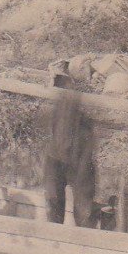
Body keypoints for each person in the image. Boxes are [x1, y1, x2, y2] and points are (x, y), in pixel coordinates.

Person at [43, 73, 97, 227]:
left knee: (83, 209)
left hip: (80, 158)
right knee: (53, 202)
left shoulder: (85, 124)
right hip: (56, 156)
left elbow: (86, 157)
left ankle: (83, 243)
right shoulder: (54, 113)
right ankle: (55, 241)